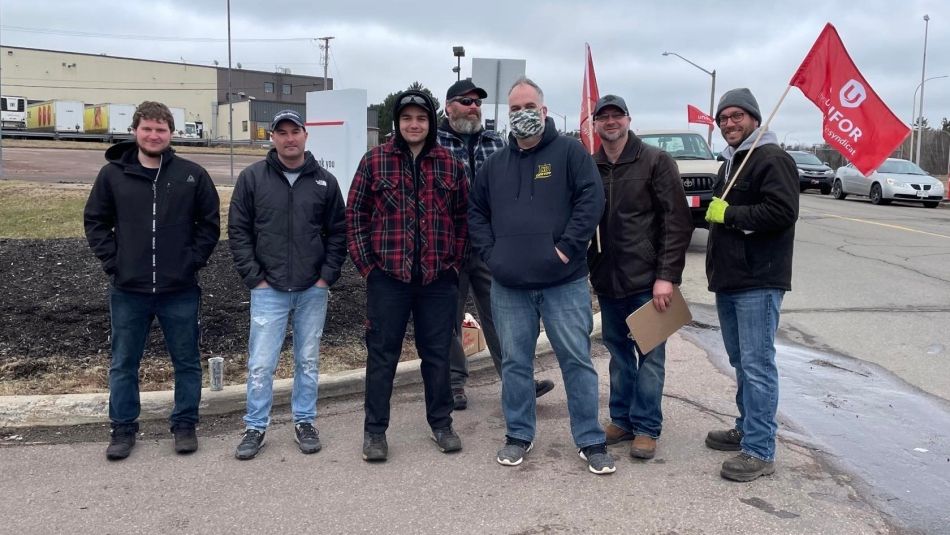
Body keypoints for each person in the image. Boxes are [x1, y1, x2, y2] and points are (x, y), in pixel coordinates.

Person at [468, 77, 614, 475]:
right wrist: (491, 255)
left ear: (544, 111)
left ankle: (590, 439)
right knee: (515, 362)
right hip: (509, 286)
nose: (522, 115)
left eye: (528, 106)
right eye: (514, 109)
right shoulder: (495, 164)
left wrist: (566, 247)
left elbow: (592, 199)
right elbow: (476, 213)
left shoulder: (570, 153)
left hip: (563, 284)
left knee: (576, 360)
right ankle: (518, 434)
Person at [84, 100, 220, 460]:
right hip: (129, 290)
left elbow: (209, 224)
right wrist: (114, 263)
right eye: (147, 128)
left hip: (180, 289)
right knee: (124, 362)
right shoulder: (113, 175)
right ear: (135, 132)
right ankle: (123, 429)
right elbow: (95, 221)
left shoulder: (191, 174)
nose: (154, 135)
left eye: (161, 129)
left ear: (171, 134)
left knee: (187, 361)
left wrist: (192, 262)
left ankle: (185, 424)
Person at [346, 89, 468, 462]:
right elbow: (354, 217)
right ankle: (375, 433)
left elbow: (464, 219)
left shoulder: (449, 163)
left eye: (421, 118)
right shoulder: (374, 162)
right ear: (396, 124)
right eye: (406, 119)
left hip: (437, 281)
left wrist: (453, 264)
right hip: (389, 279)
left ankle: (442, 424)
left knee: (436, 355)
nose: (414, 125)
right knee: (382, 357)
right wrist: (369, 267)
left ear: (431, 123)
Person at [228, 109, 347, 460]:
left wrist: (327, 276)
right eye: (282, 132)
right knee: (262, 362)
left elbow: (338, 232)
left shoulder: (325, 181)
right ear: (273, 138)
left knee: (307, 359)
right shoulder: (252, 179)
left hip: (313, 288)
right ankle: (255, 426)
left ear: (306, 135)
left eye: (295, 131)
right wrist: (255, 278)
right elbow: (238, 231)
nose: (289, 138)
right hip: (269, 290)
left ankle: (305, 421)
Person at [437, 78, 554, 410]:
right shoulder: (435, 143)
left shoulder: (496, 142)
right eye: (465, 101)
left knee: (501, 316)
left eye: (477, 103)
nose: (473, 107)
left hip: (490, 246)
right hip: (448, 247)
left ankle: (517, 381)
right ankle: (454, 383)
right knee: (448, 318)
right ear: (449, 107)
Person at [586, 94, 693, 460]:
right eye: (604, 117)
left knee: (650, 355)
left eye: (617, 116)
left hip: (648, 283)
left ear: (628, 120)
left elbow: (676, 221)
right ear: (595, 124)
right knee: (618, 354)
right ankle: (622, 419)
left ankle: (647, 427)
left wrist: (666, 276)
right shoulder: (591, 166)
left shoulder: (655, 161)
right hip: (608, 280)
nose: (611, 122)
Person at [703, 88, 799, 482]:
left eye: (737, 116)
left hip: (759, 279)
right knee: (742, 362)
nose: (729, 123)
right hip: (730, 278)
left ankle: (760, 449)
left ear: (755, 119)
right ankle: (747, 427)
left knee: (757, 365)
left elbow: (782, 211)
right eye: (723, 118)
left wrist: (730, 214)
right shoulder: (731, 162)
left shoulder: (771, 157)